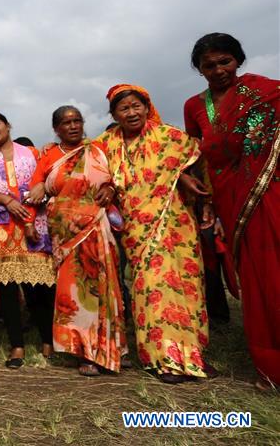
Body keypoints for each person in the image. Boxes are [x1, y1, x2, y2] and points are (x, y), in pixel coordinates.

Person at [95, 84, 212, 384]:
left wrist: (185, 176)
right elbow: (92, 172)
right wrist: (107, 186)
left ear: (147, 107)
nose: (132, 112)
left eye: (137, 106)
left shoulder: (170, 137)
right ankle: (164, 358)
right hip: (137, 230)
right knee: (151, 288)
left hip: (175, 224)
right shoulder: (105, 145)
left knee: (184, 285)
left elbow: (198, 158)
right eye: (124, 108)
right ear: (114, 114)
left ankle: (191, 353)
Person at [185, 33, 280, 388]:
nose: (219, 70)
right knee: (255, 277)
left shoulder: (265, 93)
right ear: (199, 70)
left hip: (269, 193)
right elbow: (194, 153)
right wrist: (188, 181)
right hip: (227, 197)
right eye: (209, 65)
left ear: (238, 60)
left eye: (225, 61)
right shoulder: (194, 106)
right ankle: (270, 364)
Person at [27, 106, 126, 376]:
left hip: (97, 223)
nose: (72, 126)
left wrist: (110, 189)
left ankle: (110, 347)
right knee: (76, 291)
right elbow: (35, 189)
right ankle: (84, 351)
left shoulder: (97, 150)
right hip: (66, 230)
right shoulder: (49, 156)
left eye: (76, 121)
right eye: (65, 122)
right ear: (56, 129)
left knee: (105, 284)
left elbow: (114, 179)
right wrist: (29, 219)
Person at [0, 112, 56, 369]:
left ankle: (48, 339)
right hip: (0, 228)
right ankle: (17, 345)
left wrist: (38, 192)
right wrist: (7, 200)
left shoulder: (33, 152)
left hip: (33, 224)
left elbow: (43, 180)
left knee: (40, 287)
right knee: (7, 290)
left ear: (8, 125)